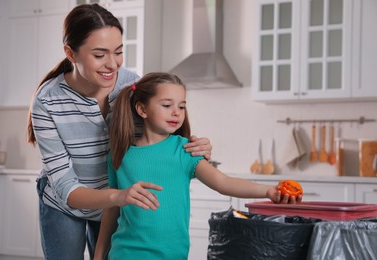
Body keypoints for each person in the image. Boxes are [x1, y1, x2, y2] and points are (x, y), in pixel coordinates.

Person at [26, 4, 212, 260]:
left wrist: (194, 147)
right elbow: (66, 187)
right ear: (71, 52)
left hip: (117, 203)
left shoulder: (131, 85)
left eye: (119, 52)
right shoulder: (47, 100)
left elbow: (155, 136)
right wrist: (117, 196)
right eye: (100, 55)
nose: (112, 64)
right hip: (66, 204)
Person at [94, 72, 302, 259]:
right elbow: (112, 209)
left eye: (182, 106)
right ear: (142, 109)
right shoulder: (120, 155)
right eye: (167, 105)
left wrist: (268, 191)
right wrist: (99, 255)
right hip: (126, 254)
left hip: (174, 255)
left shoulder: (185, 150)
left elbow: (223, 182)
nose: (177, 112)